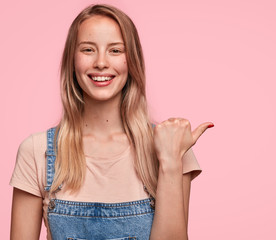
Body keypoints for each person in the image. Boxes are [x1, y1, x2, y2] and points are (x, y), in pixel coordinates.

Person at [9, 4, 213, 240]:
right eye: (88, 49)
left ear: (132, 60)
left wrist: (169, 161)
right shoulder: (37, 151)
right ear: (71, 60)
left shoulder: (172, 146)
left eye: (115, 50)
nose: (101, 63)